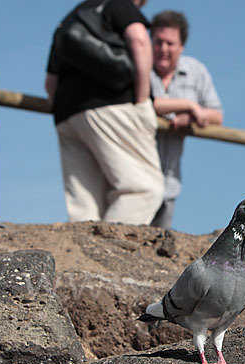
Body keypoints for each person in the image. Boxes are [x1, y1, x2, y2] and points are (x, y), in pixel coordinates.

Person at [45, 0, 164, 225]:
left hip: (66, 115)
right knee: (142, 189)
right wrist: (140, 101)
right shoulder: (119, 4)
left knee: (84, 203)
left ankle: (79, 255)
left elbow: (50, 84)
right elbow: (139, 40)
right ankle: (106, 252)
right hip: (112, 106)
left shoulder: (71, 18)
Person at [149, 10, 223, 229]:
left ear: (181, 46)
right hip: (132, 176)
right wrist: (188, 105)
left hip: (169, 180)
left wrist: (190, 116)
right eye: (158, 42)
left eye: (170, 44)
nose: (163, 49)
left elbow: (217, 115)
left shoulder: (196, 72)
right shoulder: (139, 66)